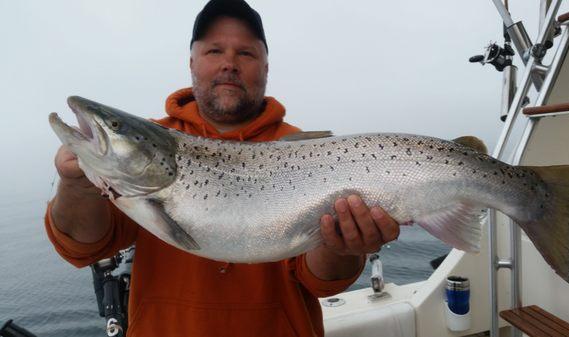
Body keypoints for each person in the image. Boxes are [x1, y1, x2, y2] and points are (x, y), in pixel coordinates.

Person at [45, 0, 401, 336]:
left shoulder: (308, 152)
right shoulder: (135, 166)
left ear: (265, 67)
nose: (229, 63)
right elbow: (82, 248)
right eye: (214, 50)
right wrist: (76, 186)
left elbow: (321, 282)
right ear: (191, 62)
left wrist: (342, 245)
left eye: (245, 53)